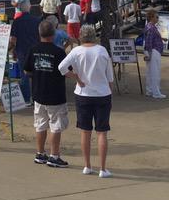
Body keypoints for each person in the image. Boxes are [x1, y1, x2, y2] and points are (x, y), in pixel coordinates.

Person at [58, 24, 114, 178]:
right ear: (94, 36)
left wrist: (76, 77)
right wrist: (110, 93)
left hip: (83, 94)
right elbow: (110, 77)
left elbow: (62, 67)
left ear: (81, 36)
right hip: (102, 94)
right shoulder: (102, 51)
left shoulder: (76, 51)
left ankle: (87, 166)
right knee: (102, 133)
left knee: (85, 131)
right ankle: (103, 168)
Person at [25, 19, 69, 168]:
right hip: (55, 95)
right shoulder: (59, 52)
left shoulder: (33, 49)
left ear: (39, 34)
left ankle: (40, 153)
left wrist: (37, 74)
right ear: (53, 34)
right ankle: (54, 155)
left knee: (40, 124)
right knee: (55, 125)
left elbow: (26, 70)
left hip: (38, 93)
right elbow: (66, 71)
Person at [9, 0, 42, 104]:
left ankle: (27, 99)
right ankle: (37, 98)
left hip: (22, 51)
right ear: (30, 7)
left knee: (24, 76)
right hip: (35, 51)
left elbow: (13, 40)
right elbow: (41, 37)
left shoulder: (17, 21)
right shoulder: (37, 20)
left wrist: (12, 51)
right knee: (36, 75)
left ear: (19, 8)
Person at [142, 7, 167, 99]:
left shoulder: (150, 27)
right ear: (152, 17)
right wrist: (149, 54)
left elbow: (149, 40)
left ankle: (150, 90)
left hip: (152, 51)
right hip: (153, 51)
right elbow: (149, 41)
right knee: (155, 73)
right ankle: (156, 92)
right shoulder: (151, 28)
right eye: (156, 17)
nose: (158, 18)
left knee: (150, 72)